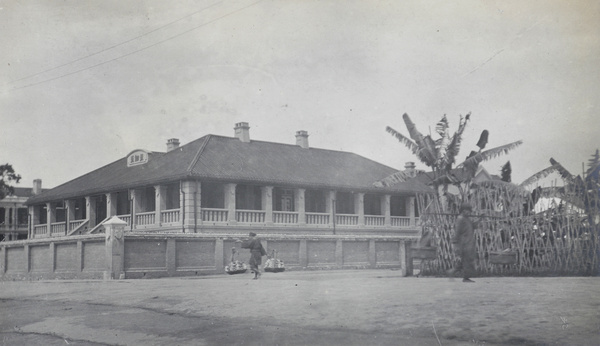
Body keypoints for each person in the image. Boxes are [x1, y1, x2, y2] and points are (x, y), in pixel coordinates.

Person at [452, 203, 479, 283]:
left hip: (469, 242)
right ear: (464, 211)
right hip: (464, 243)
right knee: (466, 260)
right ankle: (465, 277)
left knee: (466, 260)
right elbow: (457, 232)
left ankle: (452, 272)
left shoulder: (466, 219)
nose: (469, 213)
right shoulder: (460, 219)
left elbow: (473, 226)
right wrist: (456, 243)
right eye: (468, 211)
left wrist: (480, 219)